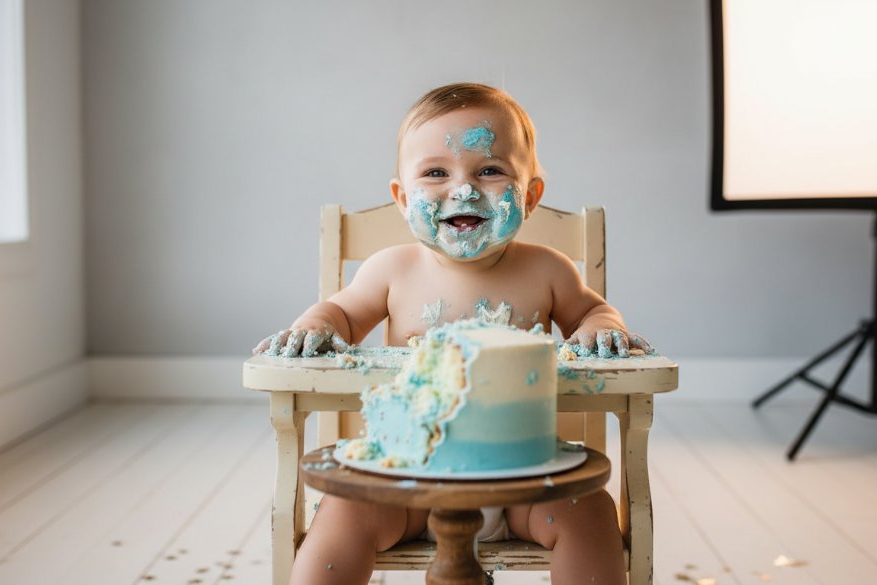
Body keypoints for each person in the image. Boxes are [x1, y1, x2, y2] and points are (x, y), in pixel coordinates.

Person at [254, 82, 649, 585]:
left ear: (529, 197)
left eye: (489, 170)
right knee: (342, 512)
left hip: (524, 479)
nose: (462, 189)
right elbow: (341, 314)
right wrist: (315, 327)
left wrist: (602, 330)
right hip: (407, 479)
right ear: (401, 197)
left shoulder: (549, 271)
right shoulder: (390, 269)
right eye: (436, 173)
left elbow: (595, 314)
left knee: (590, 515)